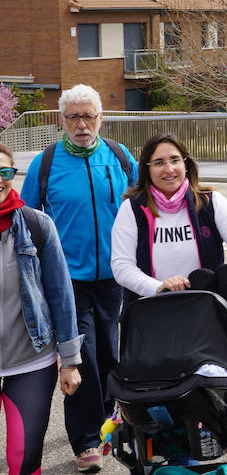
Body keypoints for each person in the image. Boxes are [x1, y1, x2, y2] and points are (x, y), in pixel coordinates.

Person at [21, 84, 138, 473]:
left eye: (89, 115)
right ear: (62, 120)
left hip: (118, 276)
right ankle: (86, 439)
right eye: (74, 117)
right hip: (68, 280)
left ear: (100, 117)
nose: (82, 124)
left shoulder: (119, 158)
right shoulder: (47, 162)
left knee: (112, 353)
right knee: (81, 356)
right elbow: (28, 222)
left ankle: (108, 419)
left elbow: (146, 206)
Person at [0, 143, 83, 475]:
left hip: (30, 361)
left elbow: (61, 294)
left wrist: (71, 361)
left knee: (24, 458)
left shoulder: (37, 224)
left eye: (4, 172)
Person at [110, 133, 227, 300]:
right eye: (159, 162)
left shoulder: (210, 201)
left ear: (185, 164)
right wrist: (158, 287)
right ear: (147, 169)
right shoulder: (132, 208)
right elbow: (122, 266)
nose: (169, 169)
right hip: (152, 310)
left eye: (175, 160)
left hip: (205, 308)